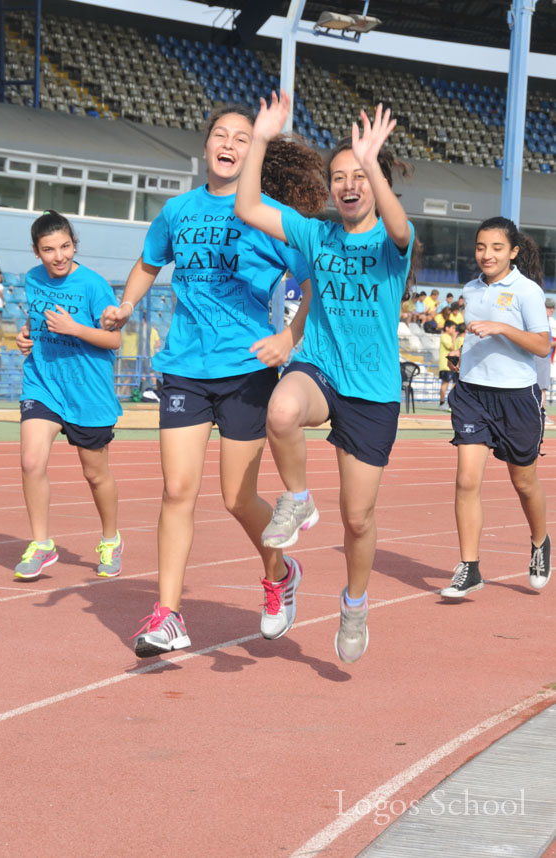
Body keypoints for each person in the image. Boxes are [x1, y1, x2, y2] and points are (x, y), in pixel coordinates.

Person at [101, 103, 328, 658]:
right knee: (177, 490)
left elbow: (315, 281)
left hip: (248, 369)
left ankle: (279, 573)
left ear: (253, 153)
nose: (229, 143)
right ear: (206, 147)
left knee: (235, 496)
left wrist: (289, 338)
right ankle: (168, 615)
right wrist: (126, 304)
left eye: (242, 138)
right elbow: (148, 263)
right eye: (220, 135)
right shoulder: (177, 211)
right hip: (184, 368)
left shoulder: (268, 215)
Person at [235, 94, 417, 663]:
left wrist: (371, 159)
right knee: (282, 411)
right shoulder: (316, 235)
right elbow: (247, 208)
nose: (347, 185)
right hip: (322, 369)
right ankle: (296, 497)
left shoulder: (390, 247)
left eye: (358, 176)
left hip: (373, 391)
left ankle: (355, 603)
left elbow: (400, 226)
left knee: (358, 519)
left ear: (376, 182)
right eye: (338, 177)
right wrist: (259, 140)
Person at [441, 216, 551, 599]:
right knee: (466, 480)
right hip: (472, 394)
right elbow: (477, 333)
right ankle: (469, 568)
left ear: (514, 252)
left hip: (517, 398)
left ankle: (540, 542)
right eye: (481, 247)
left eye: (497, 247)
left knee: (523, 482)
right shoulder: (471, 290)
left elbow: (542, 346)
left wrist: (501, 327)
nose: (486, 255)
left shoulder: (527, 291)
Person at [14, 210, 123, 581]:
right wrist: (24, 334)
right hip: (43, 383)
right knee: (31, 461)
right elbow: (36, 319)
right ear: (36, 251)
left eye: (65, 246)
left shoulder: (94, 286)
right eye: (49, 249)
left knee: (95, 475)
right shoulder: (31, 279)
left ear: (74, 244)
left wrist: (75, 328)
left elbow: (114, 340)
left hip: (87, 393)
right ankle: (42, 544)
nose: (59, 256)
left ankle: (111, 539)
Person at [534, 297, 555, 425]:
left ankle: (541, 414)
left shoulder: (547, 321)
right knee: (541, 388)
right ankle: (542, 414)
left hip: (542, 356)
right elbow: (544, 343)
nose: (551, 309)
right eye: (548, 307)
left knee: (542, 387)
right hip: (540, 356)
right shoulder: (541, 322)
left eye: (552, 307)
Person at [437, 319, 458, 410]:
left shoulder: (449, 337)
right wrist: (454, 337)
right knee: (445, 384)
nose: (454, 330)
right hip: (445, 365)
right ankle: (442, 403)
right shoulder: (444, 336)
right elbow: (452, 347)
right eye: (452, 328)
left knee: (453, 383)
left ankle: (449, 403)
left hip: (451, 364)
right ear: (447, 328)